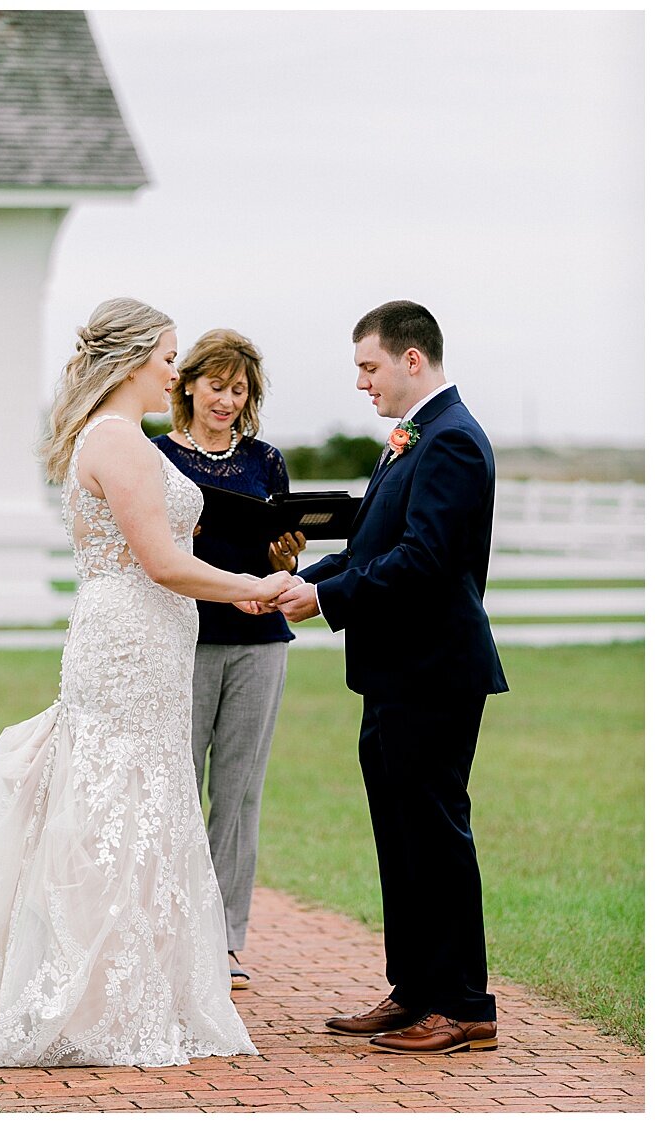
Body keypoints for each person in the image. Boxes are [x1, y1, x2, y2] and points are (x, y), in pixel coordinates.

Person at [0, 298, 296, 1068]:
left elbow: (162, 545)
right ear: (133, 360)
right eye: (167, 354)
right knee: (118, 801)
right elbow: (161, 562)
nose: (174, 367)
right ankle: (90, 992)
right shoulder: (121, 441)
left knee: (140, 797)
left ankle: (123, 979)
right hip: (131, 632)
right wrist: (248, 587)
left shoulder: (118, 437)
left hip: (147, 633)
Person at [275, 300, 508, 1055]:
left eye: (369, 367)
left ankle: (465, 1004)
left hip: (436, 670)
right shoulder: (412, 439)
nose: (361, 384)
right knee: (400, 833)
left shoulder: (454, 442)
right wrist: (306, 581)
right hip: (393, 670)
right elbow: (377, 544)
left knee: (436, 834)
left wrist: (328, 596)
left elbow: (426, 562)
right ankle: (414, 991)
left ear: (414, 359)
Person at [155, 329, 301, 990]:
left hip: (259, 643)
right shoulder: (155, 456)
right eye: (216, 385)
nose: (227, 400)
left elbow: (282, 558)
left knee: (238, 793)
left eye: (238, 390)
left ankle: (226, 939)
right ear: (188, 384)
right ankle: (169, 929)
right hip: (180, 638)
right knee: (176, 784)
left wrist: (286, 555)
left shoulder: (266, 461)